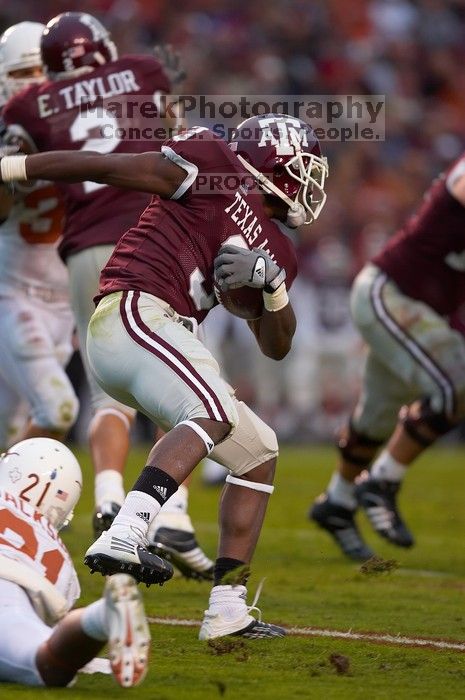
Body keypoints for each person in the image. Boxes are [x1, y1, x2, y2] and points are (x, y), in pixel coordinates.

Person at [0, 113, 329, 638]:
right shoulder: (215, 165)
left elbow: (276, 346)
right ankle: (125, 533)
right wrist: (13, 165)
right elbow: (105, 167)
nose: (313, 182)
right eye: (307, 167)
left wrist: (273, 288)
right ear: (278, 162)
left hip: (163, 334)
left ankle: (226, 609)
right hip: (133, 311)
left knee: (258, 452)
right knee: (213, 409)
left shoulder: (278, 249)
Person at [2, 12, 214, 580]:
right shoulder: (142, 70)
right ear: (103, 49)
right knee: (183, 382)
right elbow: (180, 144)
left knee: (106, 397)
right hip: (150, 237)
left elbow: (13, 178)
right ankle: (175, 514)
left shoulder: (29, 107)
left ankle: (110, 496)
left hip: (81, 251)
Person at [310, 152, 465, 561]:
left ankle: (338, 503)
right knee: (460, 382)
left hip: (421, 311)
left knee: (375, 417)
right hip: (390, 293)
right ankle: (380, 481)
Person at [0, 437, 150, 688]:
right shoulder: (59, 554)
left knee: (42, 663)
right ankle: (101, 616)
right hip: (18, 592)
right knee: (48, 660)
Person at [0, 21, 79, 448]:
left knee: (9, 424)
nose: (35, 84)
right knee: (56, 408)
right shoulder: (5, 129)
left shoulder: (82, 125)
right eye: (23, 72)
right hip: (11, 294)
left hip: (64, 300)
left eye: (41, 71)